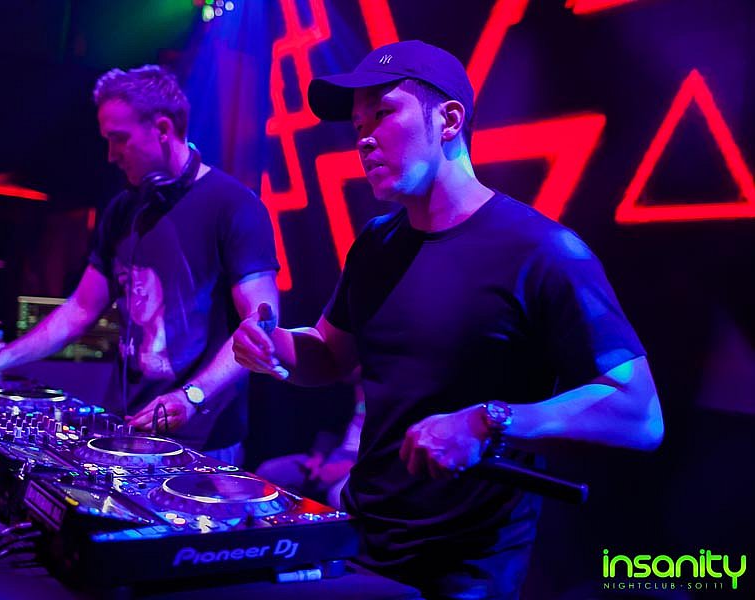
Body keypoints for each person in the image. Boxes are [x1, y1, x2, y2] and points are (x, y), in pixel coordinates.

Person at [231, 40, 663, 598]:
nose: (363, 137)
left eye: (382, 113)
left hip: (464, 569)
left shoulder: (542, 251)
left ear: (449, 120)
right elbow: (330, 354)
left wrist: (488, 421)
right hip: (360, 539)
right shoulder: (376, 244)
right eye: (358, 124)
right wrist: (277, 347)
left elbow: (638, 413)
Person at [0, 65, 279, 464]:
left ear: (162, 128)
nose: (111, 155)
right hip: (126, 428)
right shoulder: (123, 210)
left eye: (119, 139)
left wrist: (193, 396)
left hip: (206, 440)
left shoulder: (234, 205)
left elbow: (261, 322)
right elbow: (79, 310)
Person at [256, 371, 365, 509]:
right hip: (335, 455)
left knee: (338, 496)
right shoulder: (345, 390)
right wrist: (318, 458)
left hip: (365, 461)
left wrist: (350, 466)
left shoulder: (385, 393)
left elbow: (386, 448)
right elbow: (330, 429)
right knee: (268, 471)